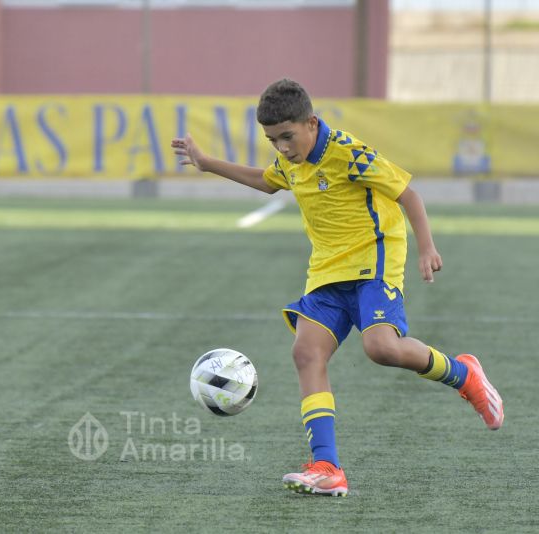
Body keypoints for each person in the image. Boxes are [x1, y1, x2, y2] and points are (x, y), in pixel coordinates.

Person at [171, 79, 503, 496]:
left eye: (288, 137)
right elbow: (266, 180)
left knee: (381, 349)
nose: (282, 148)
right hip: (327, 270)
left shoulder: (349, 153)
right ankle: (327, 466)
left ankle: (465, 375)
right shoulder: (291, 159)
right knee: (306, 352)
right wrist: (207, 162)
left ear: (311, 123)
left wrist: (426, 248)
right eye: (273, 140)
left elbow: (409, 195)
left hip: (374, 263)